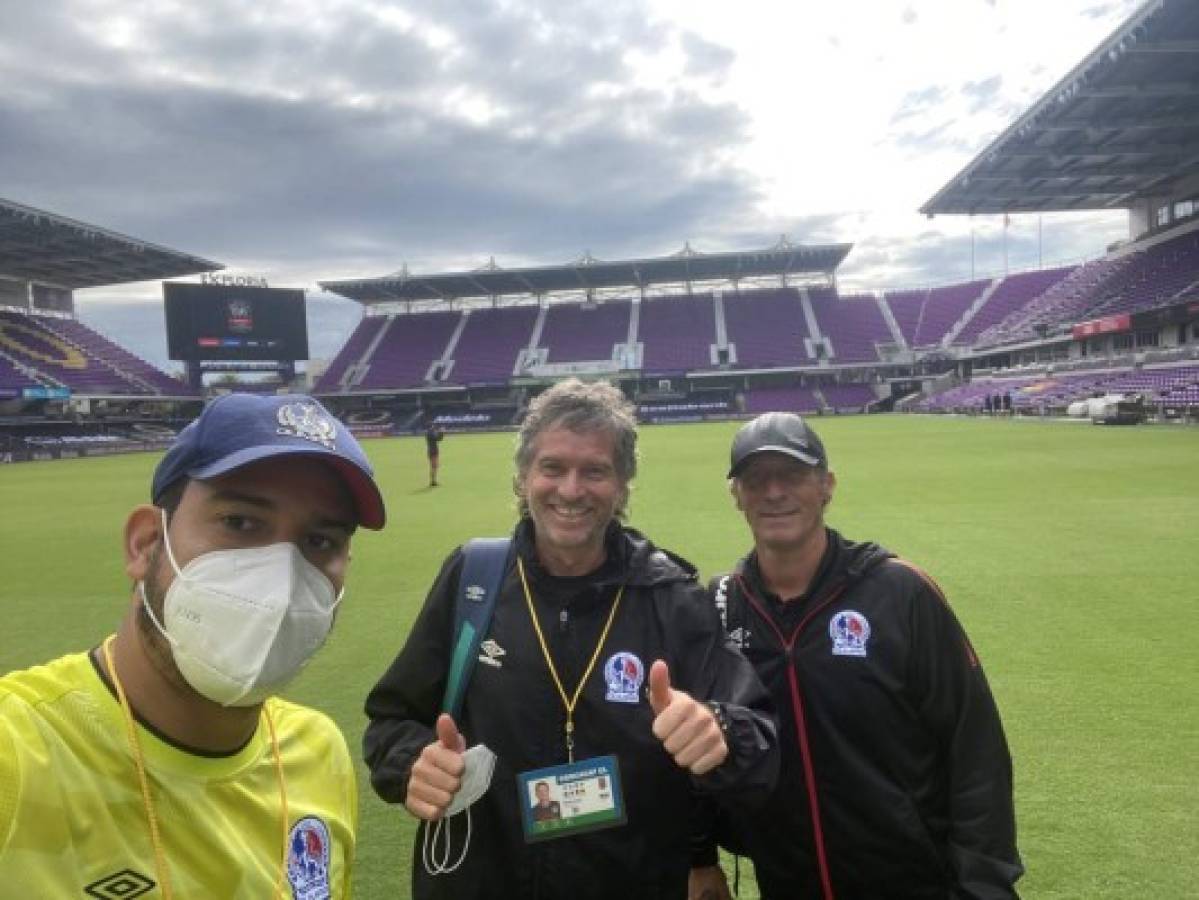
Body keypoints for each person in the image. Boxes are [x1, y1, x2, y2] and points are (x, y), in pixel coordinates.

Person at [364, 378, 778, 900]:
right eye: (553, 467)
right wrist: (413, 762)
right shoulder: (473, 578)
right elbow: (390, 719)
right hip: (483, 881)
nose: (571, 489)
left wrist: (718, 730)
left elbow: (759, 738)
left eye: (596, 471)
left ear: (623, 485)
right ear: (523, 478)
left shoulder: (670, 597)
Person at [0, 393, 386, 898]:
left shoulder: (319, 752)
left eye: (320, 542)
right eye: (241, 523)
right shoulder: (20, 754)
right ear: (144, 544)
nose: (281, 577)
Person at [690, 412, 1023, 900]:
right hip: (787, 883)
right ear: (736, 494)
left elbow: (976, 750)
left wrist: (985, 885)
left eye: (794, 475)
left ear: (827, 485)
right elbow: (696, 744)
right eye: (757, 479)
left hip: (913, 883)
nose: (775, 492)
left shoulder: (900, 592)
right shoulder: (720, 606)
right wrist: (700, 856)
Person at [425, 417, 445, 486]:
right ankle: (433, 481)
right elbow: (437, 438)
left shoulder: (429, 432)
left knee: (434, 466)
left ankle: (433, 481)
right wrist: (441, 432)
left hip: (431, 450)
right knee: (434, 466)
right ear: (431, 425)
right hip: (433, 451)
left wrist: (440, 433)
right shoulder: (430, 432)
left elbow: (438, 438)